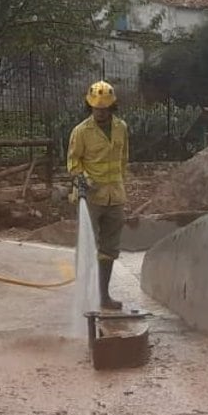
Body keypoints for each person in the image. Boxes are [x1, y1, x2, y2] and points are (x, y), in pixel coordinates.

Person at [67, 80, 130, 310]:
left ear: (112, 107)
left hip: (115, 196)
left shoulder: (121, 127)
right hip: (92, 197)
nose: (100, 113)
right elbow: (73, 163)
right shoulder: (81, 132)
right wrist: (83, 179)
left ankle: (103, 296)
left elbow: (123, 159)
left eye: (104, 109)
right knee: (87, 247)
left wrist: (121, 182)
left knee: (109, 249)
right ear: (89, 107)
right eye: (96, 108)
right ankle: (84, 295)